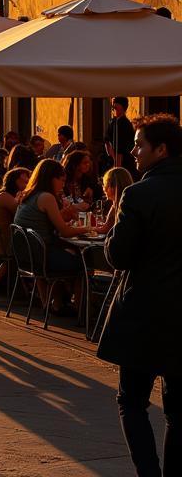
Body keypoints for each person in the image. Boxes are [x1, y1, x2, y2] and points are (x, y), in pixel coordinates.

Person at [98, 114, 182, 476]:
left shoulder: (138, 193)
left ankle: (149, 473)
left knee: (131, 401)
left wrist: (115, 225)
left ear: (160, 149)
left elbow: (118, 256)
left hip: (145, 314)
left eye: (139, 144)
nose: (132, 151)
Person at [13, 159, 83, 314]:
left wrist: (64, 216)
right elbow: (64, 231)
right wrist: (89, 228)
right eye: (61, 180)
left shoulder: (29, 195)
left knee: (68, 253)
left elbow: (50, 224)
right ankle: (80, 310)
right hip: (41, 257)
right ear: (51, 178)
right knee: (82, 264)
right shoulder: (46, 197)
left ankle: (58, 303)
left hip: (26, 255)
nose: (63, 185)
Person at [0, 166, 31, 303]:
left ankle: (26, 292)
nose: (27, 184)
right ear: (14, 181)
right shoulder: (5, 197)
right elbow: (22, 214)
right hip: (1, 242)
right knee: (33, 251)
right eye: (24, 181)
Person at [95, 167, 133, 234]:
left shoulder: (121, 204)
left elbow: (105, 229)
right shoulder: (122, 202)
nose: (104, 189)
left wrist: (86, 229)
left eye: (106, 185)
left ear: (113, 187)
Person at [106, 97, 138, 176]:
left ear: (123, 107)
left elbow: (122, 147)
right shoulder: (113, 121)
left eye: (116, 104)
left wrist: (117, 166)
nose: (113, 106)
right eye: (113, 105)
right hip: (112, 158)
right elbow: (107, 139)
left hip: (123, 161)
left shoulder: (125, 124)